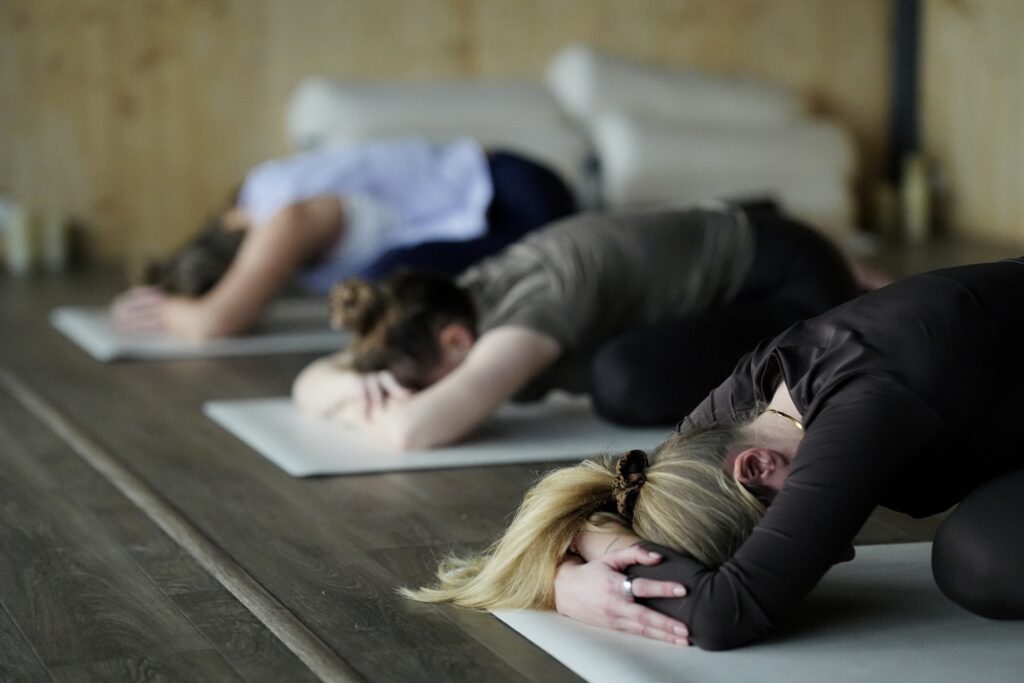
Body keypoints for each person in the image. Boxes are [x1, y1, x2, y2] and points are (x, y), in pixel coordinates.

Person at [407, 257, 1024, 650]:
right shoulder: (739, 416)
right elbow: (628, 487)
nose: (836, 550)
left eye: (776, 523)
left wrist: (582, 588)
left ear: (756, 468)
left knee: (983, 562)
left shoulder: (863, 405)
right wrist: (565, 563)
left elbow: (727, 614)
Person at [292, 201, 861, 448]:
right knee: (618, 369)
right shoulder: (441, 306)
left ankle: (852, 314)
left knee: (624, 381)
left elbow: (411, 433)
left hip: (793, 284)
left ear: (456, 342)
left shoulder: (529, 311)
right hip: (743, 269)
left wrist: (356, 408)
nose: (404, 395)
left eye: (416, 384)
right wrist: (356, 389)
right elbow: (306, 383)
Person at [109, 137, 575, 341]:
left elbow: (215, 322)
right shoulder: (270, 197)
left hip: (515, 194)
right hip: (502, 201)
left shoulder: (277, 213)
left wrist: (166, 312)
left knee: (386, 284)